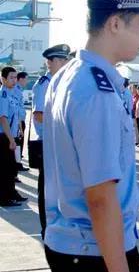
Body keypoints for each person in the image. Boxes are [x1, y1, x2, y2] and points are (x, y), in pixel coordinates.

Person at [42, 0, 139, 272]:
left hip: (70, 243)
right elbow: (100, 197)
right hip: (94, 251)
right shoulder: (98, 91)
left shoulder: (68, 74)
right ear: (115, 24)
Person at [32, 44, 71, 239]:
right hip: (49, 144)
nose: (67, 63)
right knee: (47, 189)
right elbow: (39, 115)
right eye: (63, 60)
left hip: (61, 146)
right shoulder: (45, 84)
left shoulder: (63, 83)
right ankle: (46, 227)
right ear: (52, 62)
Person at [0, 66, 26, 207]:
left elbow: (16, 115)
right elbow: (3, 119)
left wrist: (20, 130)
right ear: (3, 79)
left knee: (11, 168)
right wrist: (10, 139)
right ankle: (4, 197)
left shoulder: (13, 93)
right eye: (11, 77)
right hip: (4, 136)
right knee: (5, 169)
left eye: (15, 77)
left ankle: (11, 193)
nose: (14, 80)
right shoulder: (3, 94)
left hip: (11, 135)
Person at [14, 71, 28, 171]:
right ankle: (17, 165)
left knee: (20, 144)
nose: (26, 82)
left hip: (20, 121)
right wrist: (19, 126)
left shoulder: (18, 89)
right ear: (21, 79)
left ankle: (17, 164)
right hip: (18, 122)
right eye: (26, 79)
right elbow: (17, 109)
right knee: (18, 144)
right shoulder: (16, 90)